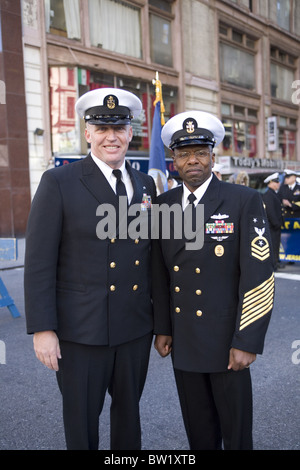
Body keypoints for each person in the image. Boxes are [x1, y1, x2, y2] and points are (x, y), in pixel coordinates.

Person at [24, 88, 156, 450]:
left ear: (131, 133)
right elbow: (38, 262)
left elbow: (149, 257)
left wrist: (161, 324)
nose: (110, 136)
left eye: (119, 128)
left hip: (133, 329)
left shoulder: (145, 184)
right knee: (81, 424)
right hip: (81, 332)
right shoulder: (59, 182)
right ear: (87, 133)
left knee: (129, 418)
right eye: (101, 128)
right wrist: (43, 329)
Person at [152, 110, 274, 450]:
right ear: (174, 159)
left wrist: (247, 340)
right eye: (184, 153)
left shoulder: (243, 200)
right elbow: (160, 273)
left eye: (200, 152)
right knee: (199, 433)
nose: (193, 160)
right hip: (185, 341)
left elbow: (259, 276)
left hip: (227, 342)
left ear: (211, 156)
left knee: (236, 436)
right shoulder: (163, 206)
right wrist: (163, 327)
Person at [262, 172, 284, 270]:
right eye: (276, 182)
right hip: (272, 225)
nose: (278, 184)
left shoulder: (273, 194)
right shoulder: (268, 195)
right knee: (273, 245)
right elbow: (270, 211)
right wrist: (276, 223)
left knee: (276, 245)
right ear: (271, 182)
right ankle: (273, 265)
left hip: (275, 225)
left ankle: (276, 262)